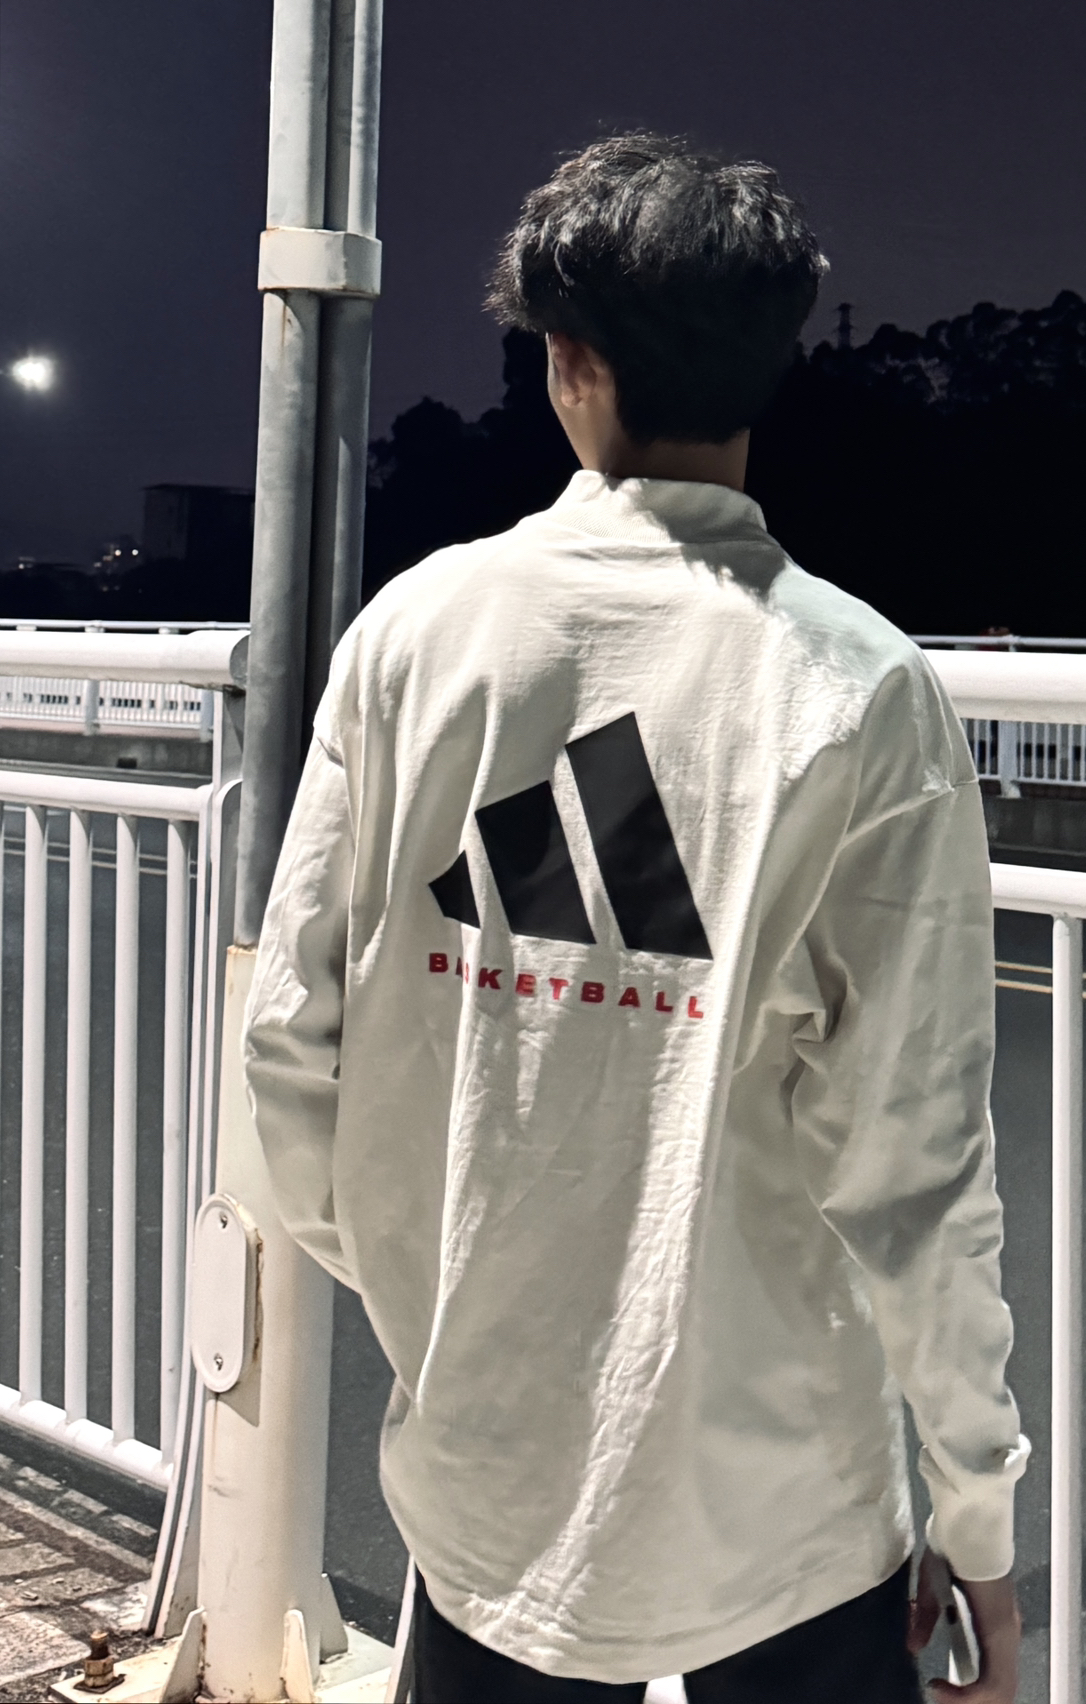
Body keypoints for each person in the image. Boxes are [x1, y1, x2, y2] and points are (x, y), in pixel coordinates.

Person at [245, 134, 1027, 1701]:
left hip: (486, 1478)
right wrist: (976, 1517)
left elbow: (289, 1050)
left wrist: (440, 1292)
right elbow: (915, 1160)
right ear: (772, 362)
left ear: (568, 363)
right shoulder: (860, 687)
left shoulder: (416, 635)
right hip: (783, 1506)